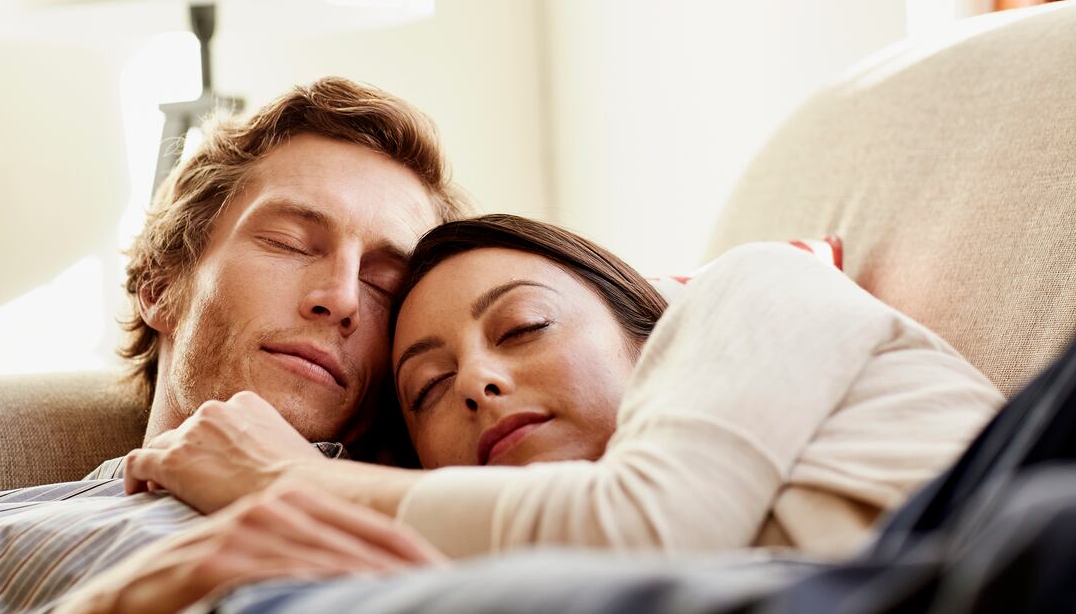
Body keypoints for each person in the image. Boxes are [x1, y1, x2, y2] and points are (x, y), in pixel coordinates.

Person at [84, 214, 1004, 611]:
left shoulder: (752, 286)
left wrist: (299, 481)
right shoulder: (504, 559)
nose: (478, 382)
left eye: (522, 326)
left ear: (646, 325)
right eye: (427, 389)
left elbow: (648, 524)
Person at [0, 77, 469, 613]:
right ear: (158, 283)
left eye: (384, 282)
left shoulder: (475, 503)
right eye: (289, 242)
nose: (343, 295)